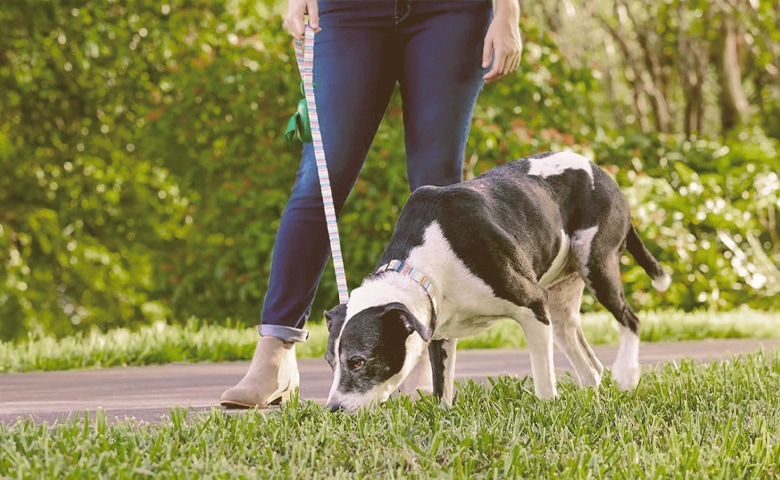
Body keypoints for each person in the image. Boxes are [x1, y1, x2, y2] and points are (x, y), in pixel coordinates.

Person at [220, 0, 522, 408]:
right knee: (320, 180)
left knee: (437, 188)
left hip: (451, 13)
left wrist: (508, 12)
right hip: (347, 12)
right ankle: (274, 356)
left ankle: (426, 359)